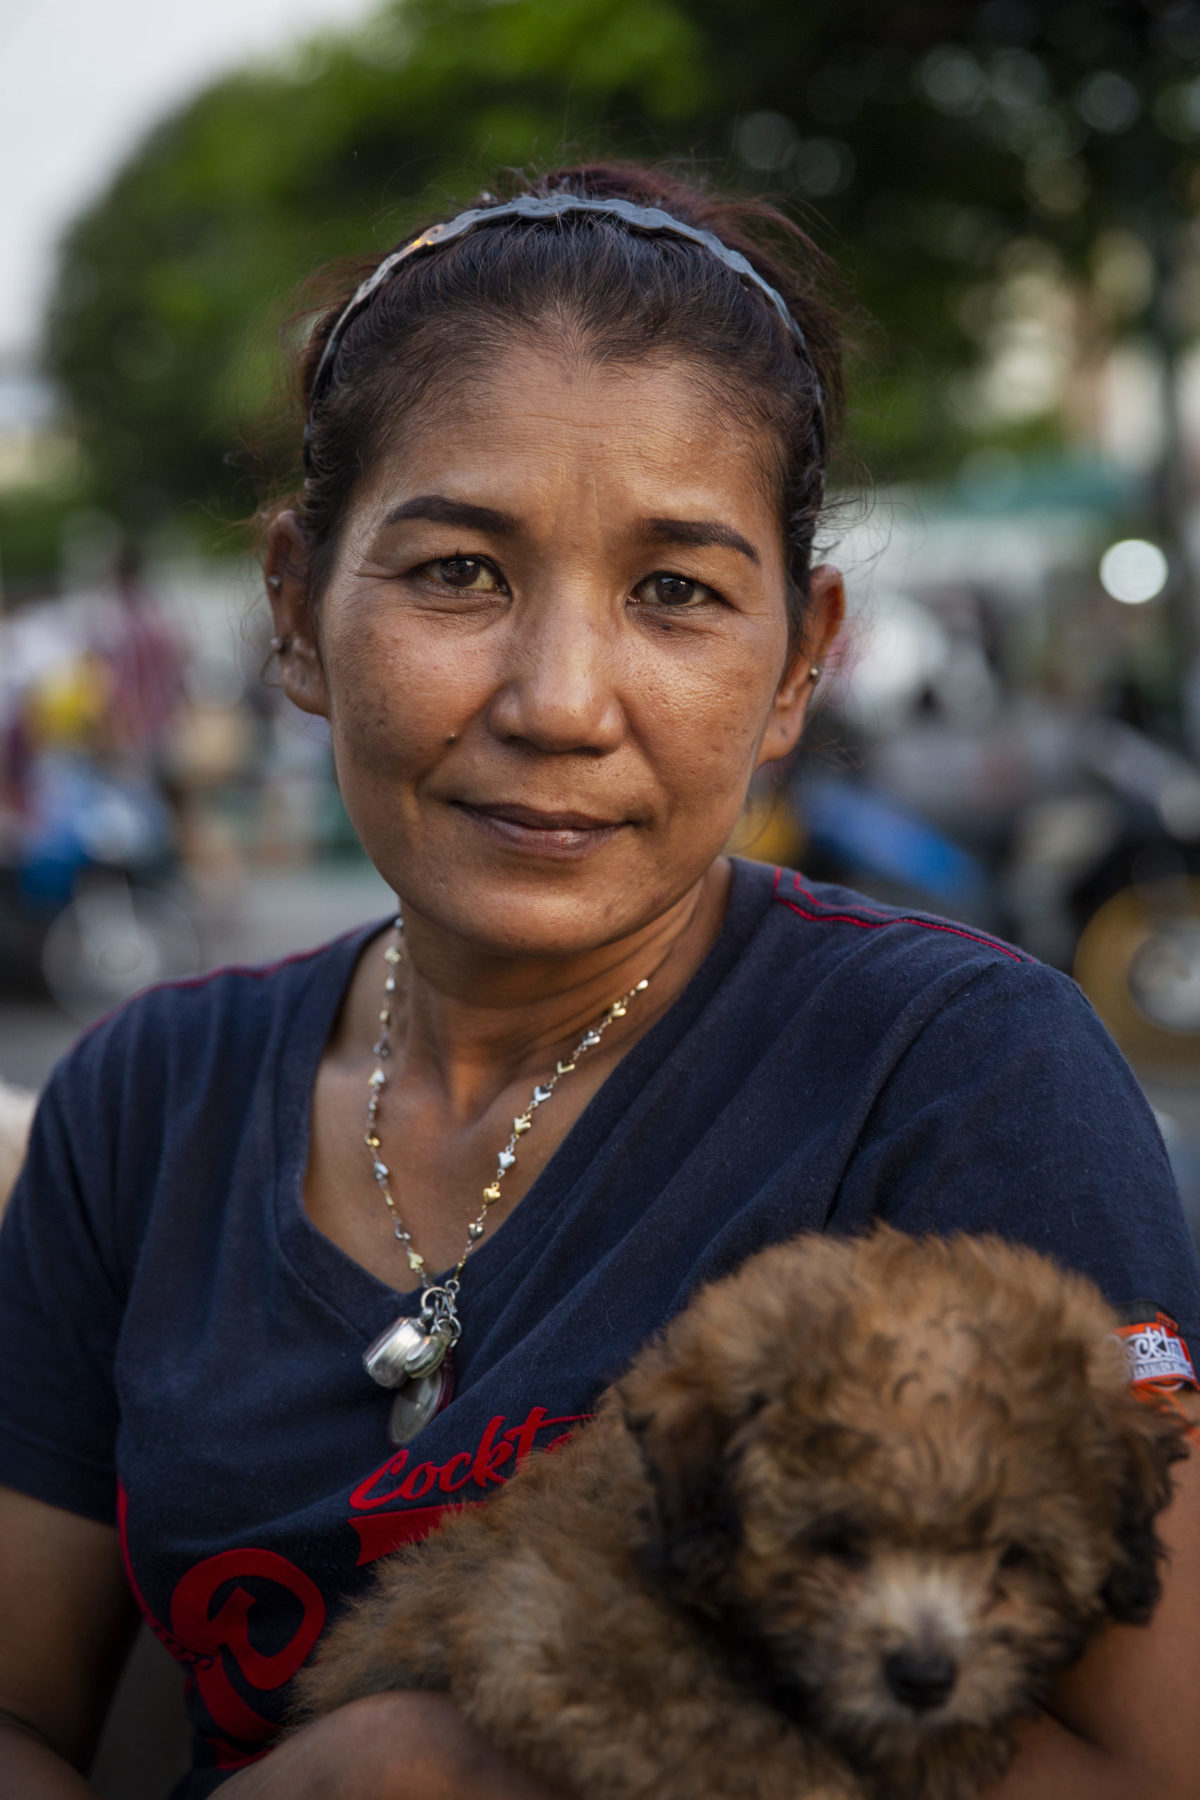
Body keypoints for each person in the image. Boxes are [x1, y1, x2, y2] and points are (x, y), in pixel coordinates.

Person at [0, 163, 1197, 1800]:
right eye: (457, 574)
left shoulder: (955, 1076)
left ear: (799, 662)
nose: (561, 701)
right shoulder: (145, 1099)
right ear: (294, 610)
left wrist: (438, 1764)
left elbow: (1148, 1770)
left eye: (678, 593)